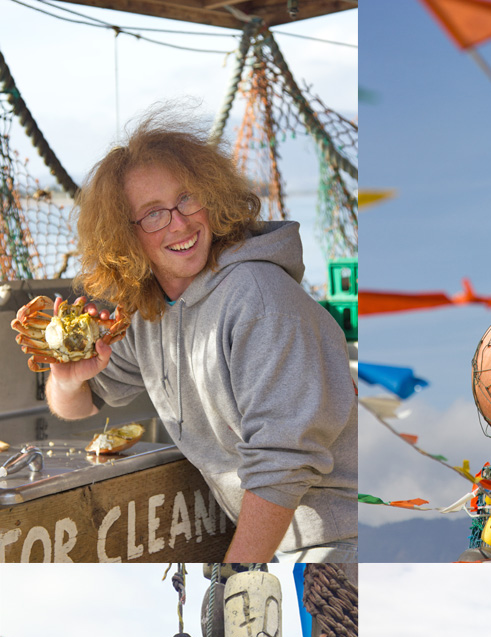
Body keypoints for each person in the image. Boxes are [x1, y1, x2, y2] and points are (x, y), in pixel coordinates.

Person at [23, 110, 357, 563]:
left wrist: (237, 574)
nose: (179, 224)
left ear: (214, 198)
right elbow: (80, 405)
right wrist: (67, 378)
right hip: (273, 543)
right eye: (154, 214)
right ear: (126, 237)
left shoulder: (258, 296)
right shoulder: (148, 309)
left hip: (334, 544)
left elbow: (283, 464)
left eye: (187, 200)